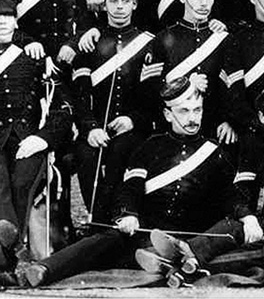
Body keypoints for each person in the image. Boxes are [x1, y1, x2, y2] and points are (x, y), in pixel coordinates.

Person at [17, 76, 237, 288]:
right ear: (168, 114)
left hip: (190, 235)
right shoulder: (149, 147)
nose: (192, 118)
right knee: (106, 238)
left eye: (197, 110)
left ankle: (170, 259)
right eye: (184, 111)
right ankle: (46, 269)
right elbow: (130, 189)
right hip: (147, 231)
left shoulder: (215, 152)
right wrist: (128, 214)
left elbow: (228, 199)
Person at [138, 83, 264, 280]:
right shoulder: (259, 152)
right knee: (232, 227)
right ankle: (186, 255)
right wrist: (247, 217)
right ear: (262, 118)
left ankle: (179, 264)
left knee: (261, 250)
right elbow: (240, 191)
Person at [71, 0, 157, 224]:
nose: (120, 6)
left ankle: (118, 218)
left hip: (133, 128)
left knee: (123, 150)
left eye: (125, 1)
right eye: (114, 1)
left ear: (135, 4)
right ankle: (98, 222)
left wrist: (133, 120)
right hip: (96, 126)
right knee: (87, 155)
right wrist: (90, 128)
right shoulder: (90, 43)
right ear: (105, 5)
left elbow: (152, 97)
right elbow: (79, 94)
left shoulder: (149, 43)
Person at [0, 0, 71, 271]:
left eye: (7, 18)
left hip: (28, 138)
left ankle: (8, 251)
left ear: (15, 22)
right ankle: (13, 251)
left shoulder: (36, 56)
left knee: (22, 181)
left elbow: (62, 106)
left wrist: (42, 138)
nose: (2, 24)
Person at [143, 0, 237, 144]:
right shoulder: (163, 39)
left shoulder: (223, 38)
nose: (204, 3)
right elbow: (148, 91)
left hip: (214, 128)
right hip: (172, 129)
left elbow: (233, 89)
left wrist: (230, 121)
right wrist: (185, 86)